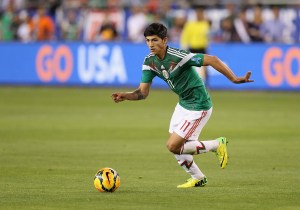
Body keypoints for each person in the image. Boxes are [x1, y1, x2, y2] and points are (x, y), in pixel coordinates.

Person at [112, 23, 253, 188]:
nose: (150, 44)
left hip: (199, 105)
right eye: (148, 40)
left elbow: (212, 60)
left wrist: (234, 79)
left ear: (164, 40)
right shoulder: (149, 61)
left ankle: (217, 144)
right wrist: (126, 96)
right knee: (177, 144)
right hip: (183, 104)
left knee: (173, 146)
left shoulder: (178, 56)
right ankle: (198, 177)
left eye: (155, 40)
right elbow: (142, 93)